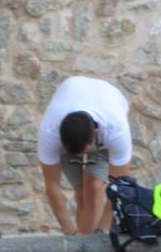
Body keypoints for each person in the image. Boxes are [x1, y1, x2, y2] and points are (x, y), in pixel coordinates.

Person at [37, 76, 133, 235]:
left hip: (106, 109)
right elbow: (52, 185)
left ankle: (92, 246)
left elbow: (119, 187)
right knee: (81, 193)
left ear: (96, 133)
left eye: (84, 152)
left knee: (94, 189)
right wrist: (69, 232)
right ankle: (81, 243)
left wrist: (102, 230)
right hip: (71, 107)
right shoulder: (49, 132)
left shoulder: (116, 130)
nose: (82, 157)